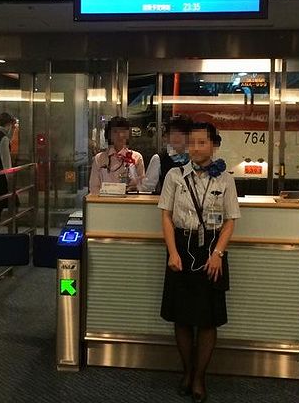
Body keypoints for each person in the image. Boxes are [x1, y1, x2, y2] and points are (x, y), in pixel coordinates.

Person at [158, 121, 241, 402]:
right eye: (191, 142)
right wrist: (173, 252)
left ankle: (199, 378)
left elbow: (230, 221)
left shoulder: (225, 179)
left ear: (214, 145)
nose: (195, 148)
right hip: (181, 246)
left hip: (212, 250)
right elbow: (166, 216)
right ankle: (186, 371)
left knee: (207, 320)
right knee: (181, 318)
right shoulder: (175, 175)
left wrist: (218, 254)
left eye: (201, 142)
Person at [89, 116, 145, 194]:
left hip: (129, 200)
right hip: (104, 200)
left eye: (123, 131)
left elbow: (141, 186)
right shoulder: (99, 158)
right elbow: (94, 187)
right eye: (115, 131)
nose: (120, 135)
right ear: (109, 135)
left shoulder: (136, 157)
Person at [141, 115, 192, 193]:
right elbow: (146, 188)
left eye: (181, 133)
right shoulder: (159, 158)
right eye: (173, 133)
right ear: (167, 137)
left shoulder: (195, 158)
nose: (176, 137)